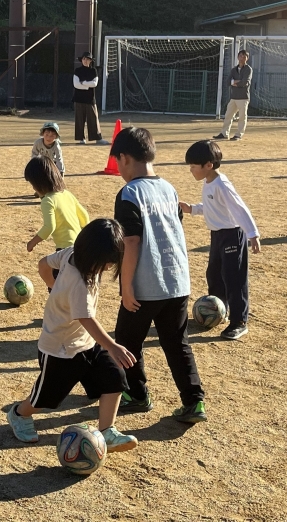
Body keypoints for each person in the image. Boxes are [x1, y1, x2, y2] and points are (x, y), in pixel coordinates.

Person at [6, 218, 139, 452]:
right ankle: (19, 414)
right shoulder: (79, 283)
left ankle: (107, 431)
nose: (109, 268)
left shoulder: (71, 253)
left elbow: (43, 264)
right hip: (60, 349)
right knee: (46, 397)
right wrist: (112, 346)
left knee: (114, 377)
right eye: (107, 263)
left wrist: (53, 286)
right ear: (92, 255)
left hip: (86, 343)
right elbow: (85, 318)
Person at [110, 127, 207, 424]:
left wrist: (127, 286)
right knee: (177, 343)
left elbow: (131, 242)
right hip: (177, 282)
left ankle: (137, 395)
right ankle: (194, 402)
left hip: (145, 286)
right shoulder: (169, 188)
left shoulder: (129, 193)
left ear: (124, 158)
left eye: (117, 162)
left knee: (127, 341)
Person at [182, 140, 262, 340]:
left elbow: (239, 208)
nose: (191, 170)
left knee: (233, 278)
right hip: (217, 235)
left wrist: (252, 234)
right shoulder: (209, 182)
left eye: (193, 166)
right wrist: (192, 208)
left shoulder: (222, 185)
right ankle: (218, 310)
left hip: (232, 235)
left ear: (208, 165)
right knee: (214, 274)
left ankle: (239, 322)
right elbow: (212, 207)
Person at [24, 156, 90, 266]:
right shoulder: (67, 194)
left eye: (33, 184)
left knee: (47, 269)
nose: (33, 189)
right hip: (79, 245)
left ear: (39, 183)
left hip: (64, 249)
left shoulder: (48, 201)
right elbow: (84, 217)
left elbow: (49, 227)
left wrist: (32, 243)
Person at [213, 49, 253, 141]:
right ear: (238, 57)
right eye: (241, 56)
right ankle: (224, 133)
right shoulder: (233, 69)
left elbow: (245, 82)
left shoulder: (248, 69)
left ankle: (238, 135)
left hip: (243, 97)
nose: (242, 58)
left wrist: (234, 82)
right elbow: (228, 82)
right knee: (228, 115)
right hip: (234, 97)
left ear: (247, 58)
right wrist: (236, 82)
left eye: (244, 56)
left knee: (242, 117)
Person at [72, 52, 109, 146]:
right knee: (79, 119)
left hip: (90, 99)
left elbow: (94, 84)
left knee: (93, 118)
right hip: (78, 99)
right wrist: (87, 86)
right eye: (84, 59)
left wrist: (83, 83)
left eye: (88, 59)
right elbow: (76, 84)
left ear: (90, 61)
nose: (85, 61)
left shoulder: (93, 71)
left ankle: (97, 138)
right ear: (81, 60)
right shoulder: (77, 71)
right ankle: (81, 138)